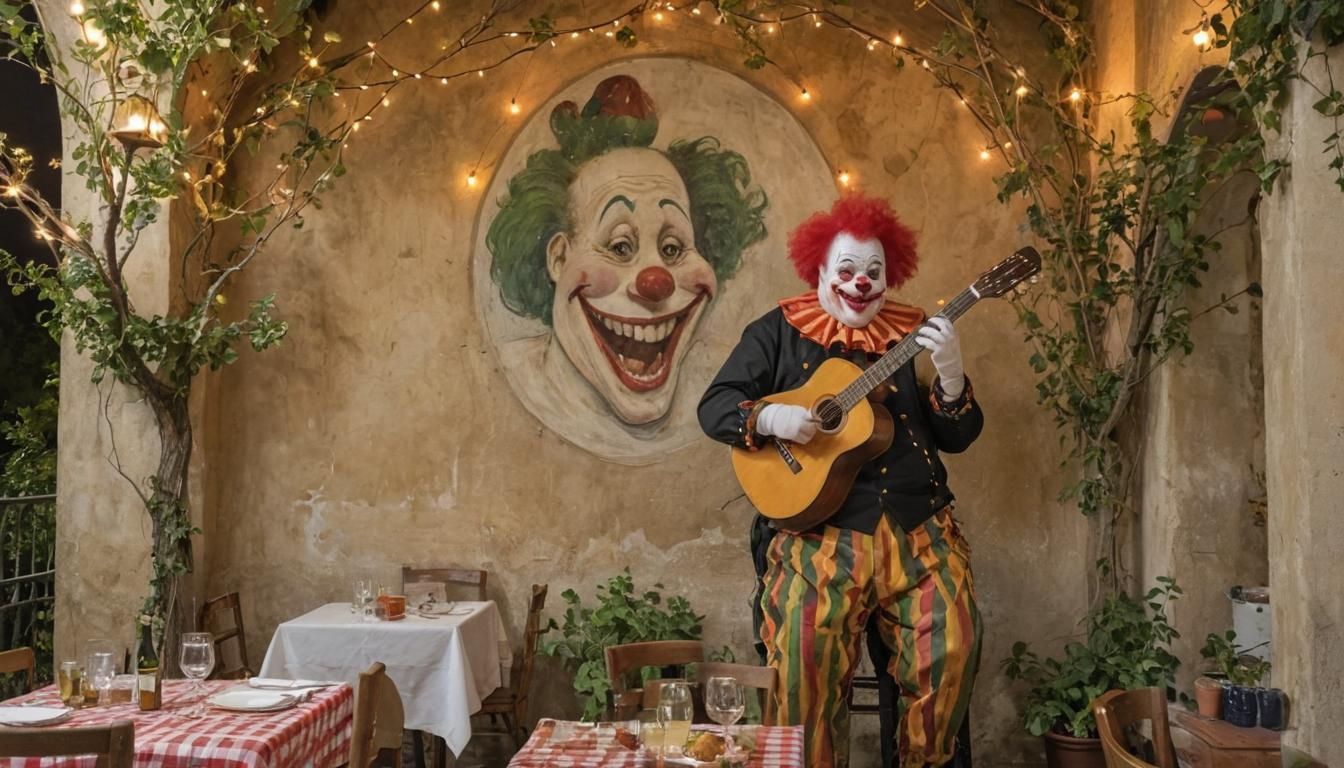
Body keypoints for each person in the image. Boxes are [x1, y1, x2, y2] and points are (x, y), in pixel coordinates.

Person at [698, 193, 983, 768]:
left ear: (890, 275)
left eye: (873, 272)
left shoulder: (916, 336)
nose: (860, 283)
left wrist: (950, 375)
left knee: (953, 648)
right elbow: (715, 407)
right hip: (815, 539)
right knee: (802, 671)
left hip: (919, 530)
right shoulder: (779, 330)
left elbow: (957, 436)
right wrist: (775, 418)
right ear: (821, 272)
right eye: (846, 270)